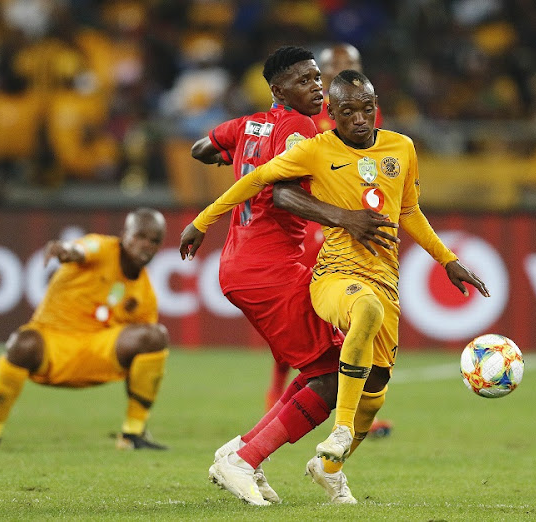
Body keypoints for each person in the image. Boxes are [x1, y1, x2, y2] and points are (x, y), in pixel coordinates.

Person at [180, 69, 489, 502]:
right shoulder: (314, 148)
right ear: (333, 114)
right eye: (347, 111)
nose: (359, 118)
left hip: (386, 279)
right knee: (360, 320)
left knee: (375, 388)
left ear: (376, 104)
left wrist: (448, 260)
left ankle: (327, 466)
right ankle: (327, 435)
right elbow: (259, 182)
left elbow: (410, 211)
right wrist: (201, 221)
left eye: (366, 108)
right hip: (335, 273)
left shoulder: (402, 147)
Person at [184, 46, 399, 506]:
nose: (317, 87)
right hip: (269, 266)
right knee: (330, 377)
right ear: (279, 90)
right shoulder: (299, 126)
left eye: (318, 78)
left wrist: (238, 157)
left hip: (245, 261)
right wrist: (346, 217)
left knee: (327, 362)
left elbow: (201, 148)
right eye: (304, 81)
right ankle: (244, 459)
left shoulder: (247, 124)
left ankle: (242, 451)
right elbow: (282, 196)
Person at [0, 208, 170, 451]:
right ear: (124, 234)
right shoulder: (103, 248)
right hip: (53, 346)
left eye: (154, 240)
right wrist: (66, 251)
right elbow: (80, 250)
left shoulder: (145, 294)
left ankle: (133, 433)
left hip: (98, 353)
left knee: (155, 336)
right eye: (140, 236)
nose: (146, 245)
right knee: (21, 343)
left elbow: (145, 362)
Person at [265, 42, 386, 417]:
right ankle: (280, 396)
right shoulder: (305, 117)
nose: (342, 71)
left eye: (352, 64)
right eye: (334, 66)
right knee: (306, 321)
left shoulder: (364, 115)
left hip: (346, 226)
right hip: (314, 228)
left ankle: (353, 404)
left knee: (353, 317)